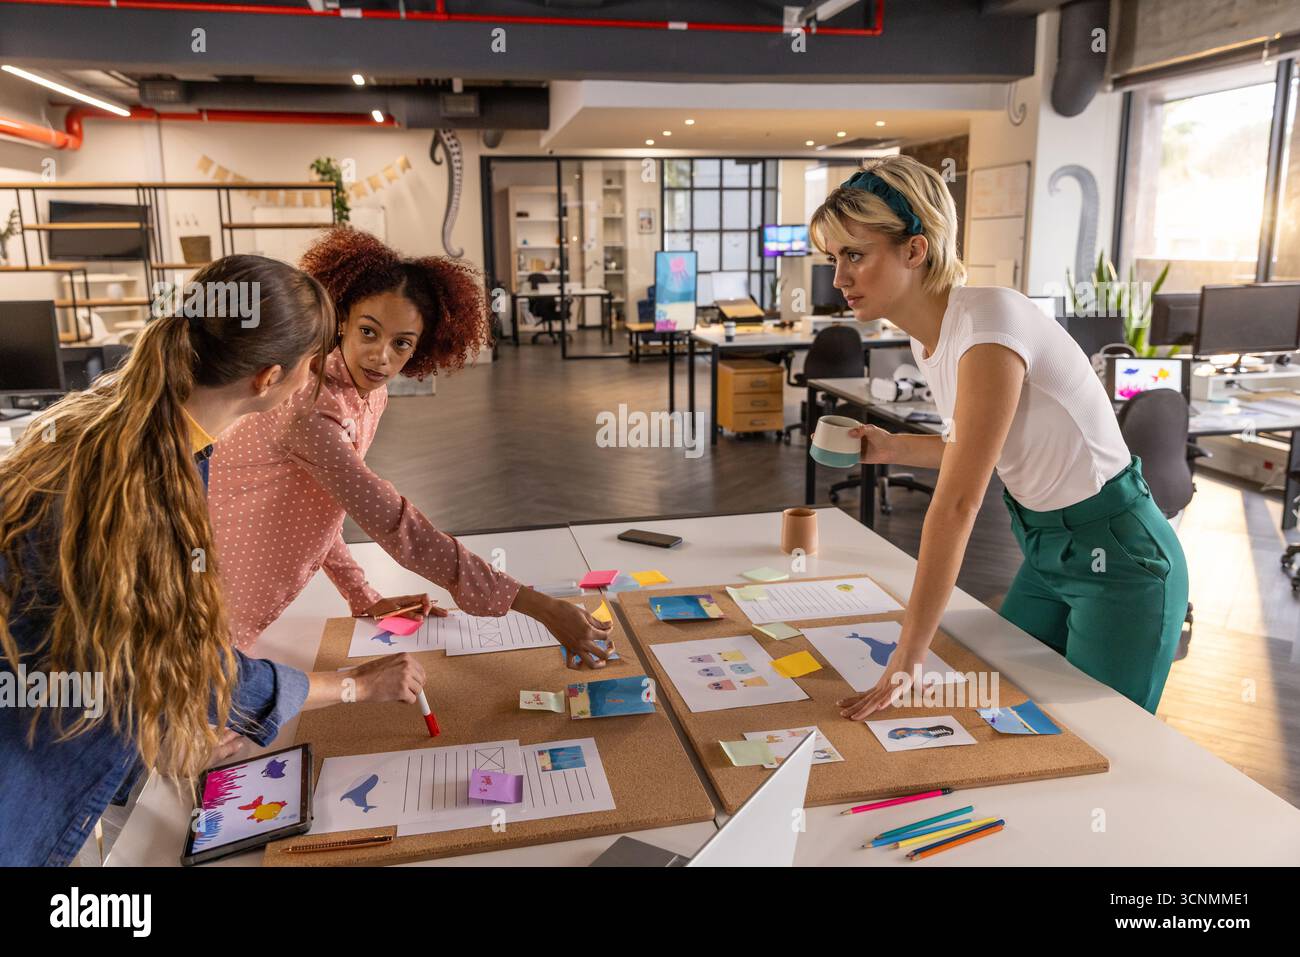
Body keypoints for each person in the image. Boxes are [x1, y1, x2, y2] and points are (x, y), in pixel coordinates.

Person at [0, 256, 424, 866]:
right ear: (269, 378)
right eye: (312, 363)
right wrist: (354, 686)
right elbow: (187, 665)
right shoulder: (144, 482)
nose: (318, 376)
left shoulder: (127, 426)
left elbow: (127, 647)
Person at [809, 156, 1188, 717]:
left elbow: (959, 503)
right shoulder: (929, 338)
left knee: (1103, 738)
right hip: (1044, 546)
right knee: (1004, 704)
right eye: (834, 258)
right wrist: (890, 447)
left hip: (1121, 557)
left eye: (855, 255)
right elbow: (975, 451)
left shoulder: (988, 324)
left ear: (915, 250)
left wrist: (909, 651)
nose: (839, 278)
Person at [208, 228, 613, 667]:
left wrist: (362, 596)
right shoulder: (309, 406)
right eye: (368, 332)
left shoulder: (370, 394)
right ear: (341, 319)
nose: (381, 357)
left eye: (401, 343)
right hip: (211, 603)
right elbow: (397, 526)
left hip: (255, 606)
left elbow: (322, 505)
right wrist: (542, 607)